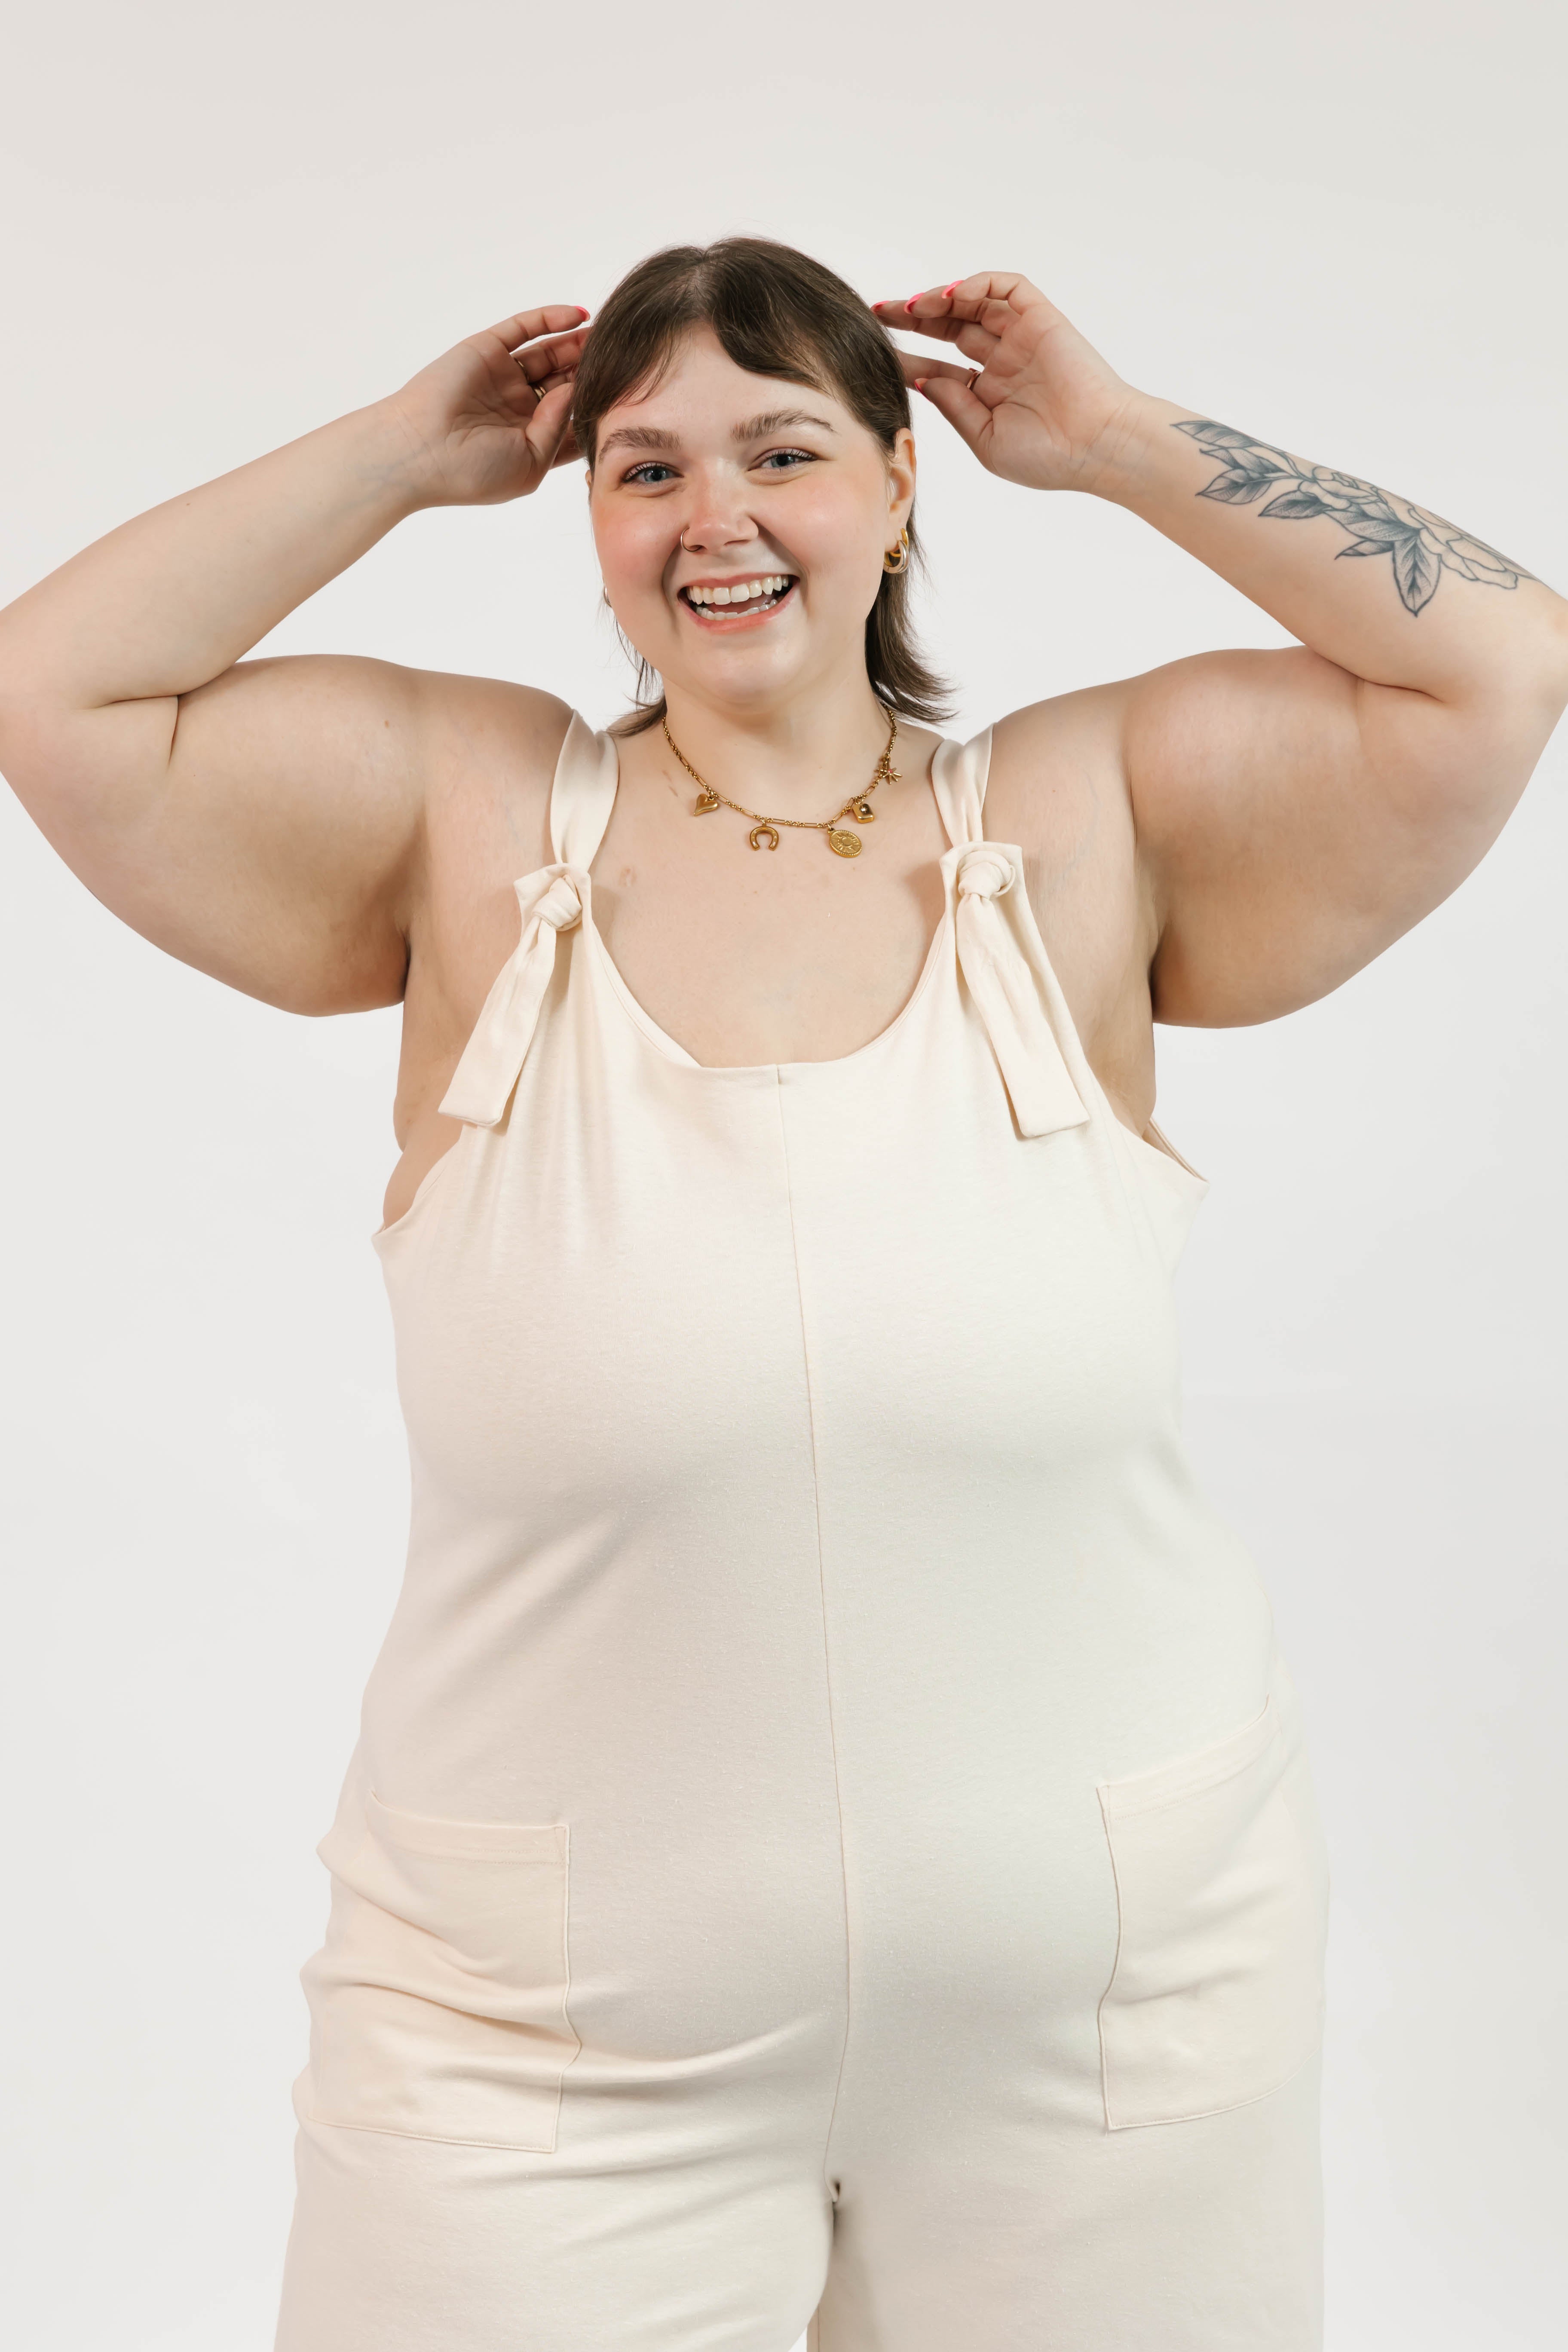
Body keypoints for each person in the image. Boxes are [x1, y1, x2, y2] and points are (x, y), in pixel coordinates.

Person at [0, 236, 1563, 2352]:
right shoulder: (473, 816)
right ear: (585, 519)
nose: (712, 518)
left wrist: (1115, 440)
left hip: (1114, 2039)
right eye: (644, 469)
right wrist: (394, 453)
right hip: (531, 2059)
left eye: (784, 452)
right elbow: (55, 688)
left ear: (903, 483)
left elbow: (1498, 658)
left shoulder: (1084, 818)